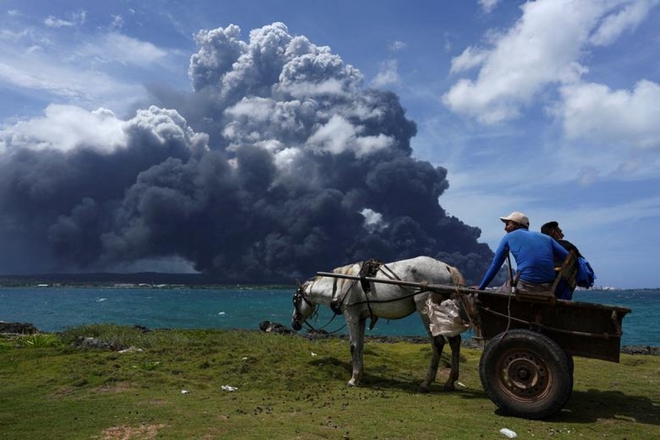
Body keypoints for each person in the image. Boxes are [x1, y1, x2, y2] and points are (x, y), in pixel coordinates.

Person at [477, 211, 569, 294]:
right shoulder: (546, 238)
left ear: (516, 225)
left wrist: (481, 288)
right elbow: (568, 257)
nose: (505, 228)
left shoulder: (508, 237)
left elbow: (495, 265)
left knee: (497, 293)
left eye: (507, 224)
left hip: (525, 285)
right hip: (549, 287)